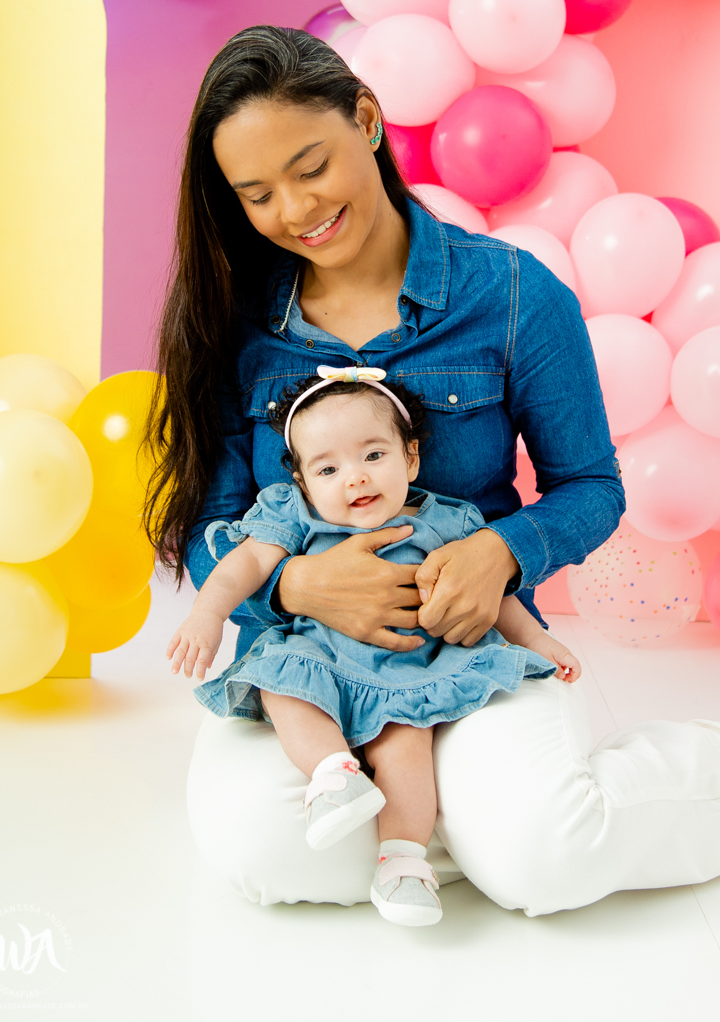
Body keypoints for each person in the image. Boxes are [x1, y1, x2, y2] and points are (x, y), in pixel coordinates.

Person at [146, 24, 720, 915]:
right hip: (306, 669)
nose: (297, 210)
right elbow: (211, 525)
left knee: (543, 862)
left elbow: (590, 488)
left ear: (366, 121)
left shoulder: (510, 294)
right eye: (257, 195)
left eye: (311, 168)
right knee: (267, 859)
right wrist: (296, 586)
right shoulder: (237, 325)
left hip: (474, 650)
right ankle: (452, 818)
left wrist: (498, 553)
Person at [166, 367, 579, 926]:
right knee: (279, 685)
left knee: (406, 748)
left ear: (411, 458)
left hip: (409, 666)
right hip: (319, 656)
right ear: (302, 482)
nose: (355, 478)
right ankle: (334, 773)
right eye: (328, 469)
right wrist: (207, 614)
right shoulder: (295, 516)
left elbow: (494, 597)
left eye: (374, 455)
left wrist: (539, 640)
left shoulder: (444, 521)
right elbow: (244, 565)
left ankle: (403, 864)